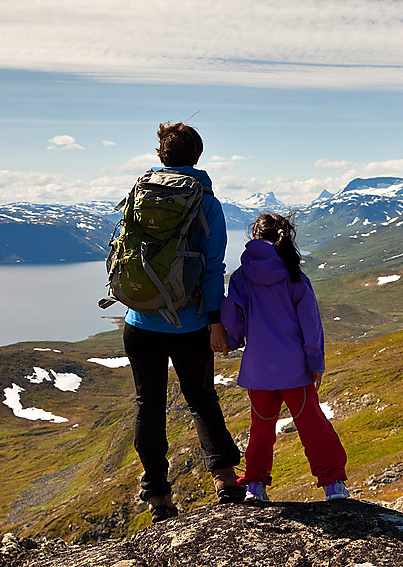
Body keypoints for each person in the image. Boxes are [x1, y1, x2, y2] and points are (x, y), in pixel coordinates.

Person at [122, 122, 244, 523]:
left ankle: (158, 499)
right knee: (201, 399)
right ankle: (226, 482)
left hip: (139, 321)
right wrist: (215, 321)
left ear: (161, 155)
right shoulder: (206, 202)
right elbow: (213, 270)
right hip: (189, 323)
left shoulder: (140, 192)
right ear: (197, 156)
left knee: (149, 407)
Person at [221, 212, 349, 502]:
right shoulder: (293, 274)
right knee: (312, 424)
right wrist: (315, 362)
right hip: (294, 369)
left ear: (255, 235)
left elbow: (232, 314)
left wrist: (230, 340)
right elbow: (311, 324)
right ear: (285, 236)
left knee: (261, 427)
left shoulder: (242, 275)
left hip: (258, 370)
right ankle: (333, 486)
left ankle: (255, 486)